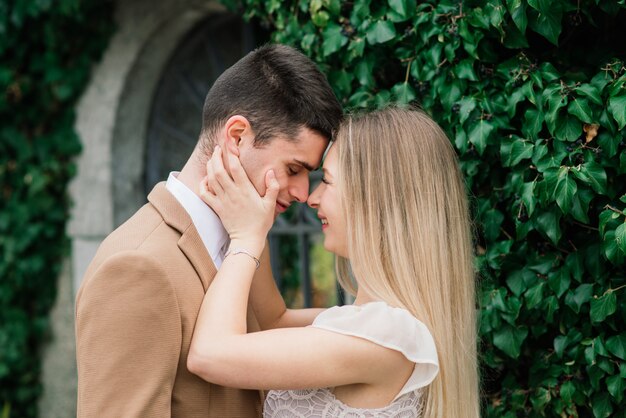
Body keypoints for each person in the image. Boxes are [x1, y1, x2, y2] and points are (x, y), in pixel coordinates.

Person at [75, 44, 342, 418]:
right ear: (236, 136)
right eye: (293, 169)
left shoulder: (247, 237)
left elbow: (274, 327)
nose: (301, 193)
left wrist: (383, 319)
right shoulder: (136, 266)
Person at [188, 107, 480, 417]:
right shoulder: (373, 324)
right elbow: (274, 320)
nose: (312, 198)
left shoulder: (388, 336)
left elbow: (209, 355)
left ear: (373, 201)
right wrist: (258, 214)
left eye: (327, 181)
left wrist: (245, 239)